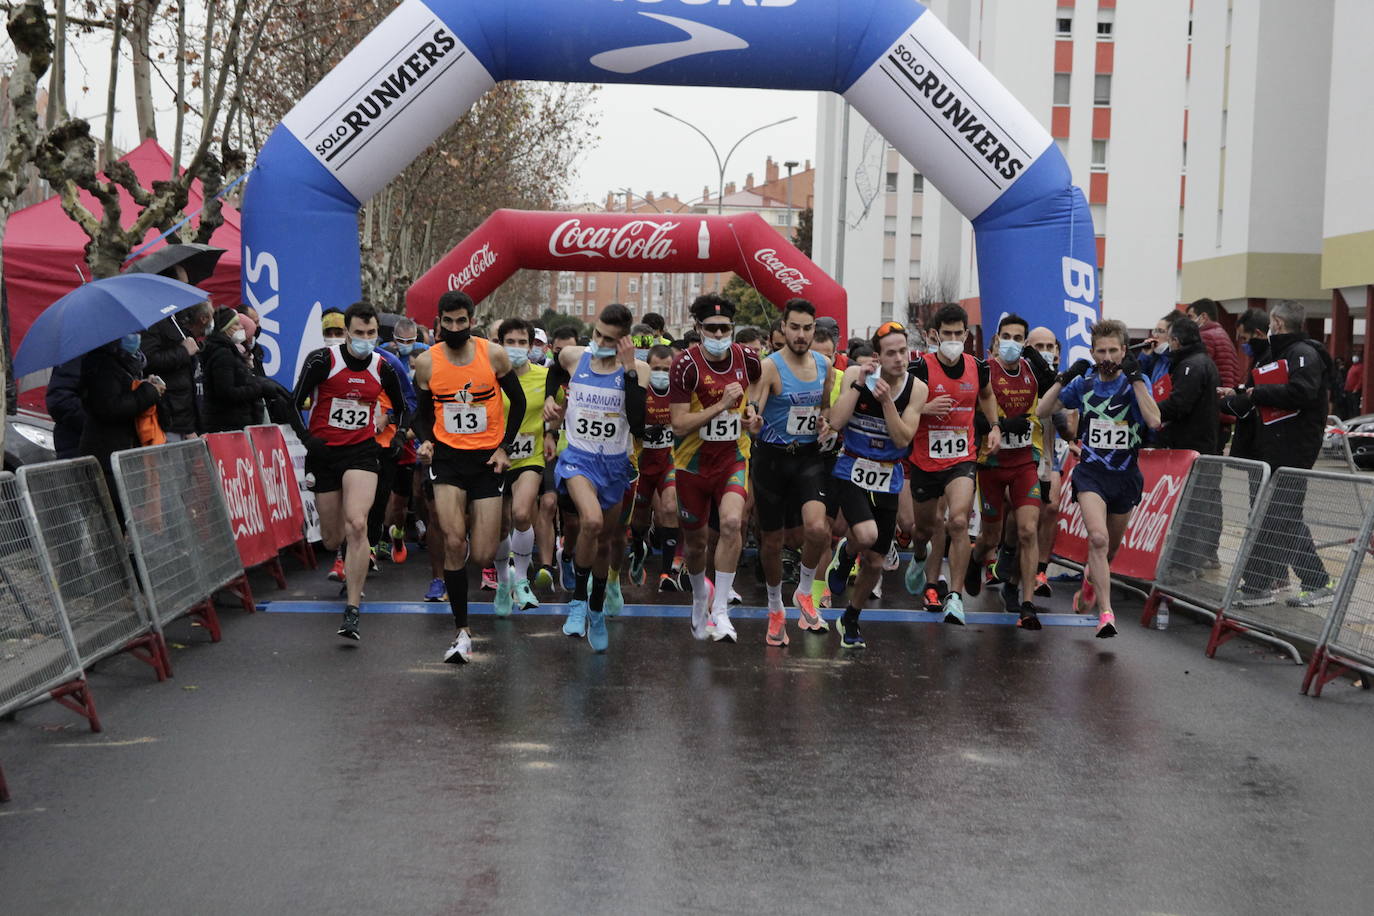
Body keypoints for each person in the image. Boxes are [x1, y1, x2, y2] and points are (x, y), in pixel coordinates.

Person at [411, 291, 525, 662]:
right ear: (439, 322)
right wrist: (427, 440)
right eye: (449, 322)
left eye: (462, 321)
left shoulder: (492, 354)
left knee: (483, 553)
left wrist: (504, 447)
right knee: (454, 541)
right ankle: (461, 629)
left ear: (471, 320)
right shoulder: (427, 363)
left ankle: (503, 573)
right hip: (446, 461)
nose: (456, 328)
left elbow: (518, 402)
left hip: (485, 462)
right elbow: (420, 413)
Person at [293, 302, 411, 642]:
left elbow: (403, 408)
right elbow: (292, 401)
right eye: (358, 333)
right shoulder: (322, 361)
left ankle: (353, 608)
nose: (365, 339)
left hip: (362, 451)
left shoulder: (382, 366)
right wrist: (306, 438)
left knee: (358, 523)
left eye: (371, 333)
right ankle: (344, 552)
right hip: (326, 453)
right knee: (332, 537)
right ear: (346, 333)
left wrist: (398, 434)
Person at [1037, 319, 1162, 637]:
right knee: (1097, 538)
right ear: (1092, 353)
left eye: (1113, 351)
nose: (1107, 357)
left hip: (1124, 477)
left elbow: (1154, 420)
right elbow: (1042, 410)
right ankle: (1106, 614)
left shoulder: (1137, 381)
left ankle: (1092, 580)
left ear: (1123, 351)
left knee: (1109, 550)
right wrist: (1063, 378)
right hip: (1091, 474)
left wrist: (1136, 381)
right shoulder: (1086, 384)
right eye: (1101, 351)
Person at [546, 303, 647, 652]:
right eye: (597, 334)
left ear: (623, 342)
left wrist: (631, 369)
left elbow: (637, 423)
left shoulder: (638, 370)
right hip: (578, 459)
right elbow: (554, 370)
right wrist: (549, 400)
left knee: (604, 541)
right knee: (589, 522)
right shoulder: (575, 356)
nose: (599, 342)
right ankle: (576, 603)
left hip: (615, 465)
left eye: (609, 339)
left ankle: (596, 608)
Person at [1223, 300, 1338, 608]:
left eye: (1272, 325)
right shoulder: (1279, 353)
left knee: (1284, 516)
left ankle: (1317, 581)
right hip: (1271, 448)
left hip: (1292, 450)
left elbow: (1302, 392)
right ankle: (1258, 585)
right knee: (1268, 517)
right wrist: (1238, 396)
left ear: (1279, 323)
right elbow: (1260, 392)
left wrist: (1257, 394)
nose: (1269, 330)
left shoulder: (1303, 354)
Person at [825, 321, 926, 648]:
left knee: (876, 561)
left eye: (903, 350)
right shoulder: (857, 376)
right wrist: (860, 385)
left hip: (888, 473)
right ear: (877, 357)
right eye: (891, 353)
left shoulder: (917, 389)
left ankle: (850, 617)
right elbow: (837, 422)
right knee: (866, 535)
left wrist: (885, 403)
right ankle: (846, 552)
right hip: (851, 467)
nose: (899, 358)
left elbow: (903, 437)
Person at [671, 293, 763, 643]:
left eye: (725, 328)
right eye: (712, 328)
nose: (720, 334)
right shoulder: (685, 365)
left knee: (731, 522)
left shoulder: (746, 358)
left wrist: (750, 412)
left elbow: (755, 387)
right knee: (696, 545)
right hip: (692, 465)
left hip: (732, 459)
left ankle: (721, 610)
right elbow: (679, 425)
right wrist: (722, 404)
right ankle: (699, 598)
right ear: (699, 329)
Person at [904, 304, 1002, 625]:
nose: (954, 339)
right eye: (947, 334)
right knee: (926, 528)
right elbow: (902, 406)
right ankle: (920, 557)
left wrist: (995, 424)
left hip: (962, 457)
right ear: (935, 335)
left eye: (959, 333)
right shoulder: (920, 368)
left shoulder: (978, 366)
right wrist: (926, 406)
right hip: (924, 460)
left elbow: (986, 395)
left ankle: (952, 595)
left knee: (958, 521)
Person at [749, 298, 835, 645]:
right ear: (783, 328)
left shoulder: (824, 364)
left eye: (807, 328)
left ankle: (803, 590)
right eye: (795, 327)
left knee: (818, 529)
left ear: (815, 330)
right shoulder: (769, 367)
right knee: (771, 542)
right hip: (771, 459)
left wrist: (826, 422)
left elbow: (826, 405)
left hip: (808, 458)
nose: (801, 335)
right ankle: (774, 608)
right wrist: (753, 421)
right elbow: (754, 409)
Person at [964, 313, 1056, 627]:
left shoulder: (1032, 370)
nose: (1012, 344)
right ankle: (976, 561)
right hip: (990, 462)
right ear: (996, 339)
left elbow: (1055, 386)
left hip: (1024, 462)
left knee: (1028, 529)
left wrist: (1041, 360)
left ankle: (1026, 603)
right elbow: (972, 418)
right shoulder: (985, 370)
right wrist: (1002, 425)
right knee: (990, 536)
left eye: (1019, 339)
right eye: (1007, 337)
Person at [1153, 316, 1222, 576]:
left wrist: (1149, 412)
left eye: (1168, 337)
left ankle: (1183, 564)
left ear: (1176, 341)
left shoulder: (1191, 366)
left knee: (1191, 509)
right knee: (1195, 507)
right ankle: (1187, 561)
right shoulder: (1200, 362)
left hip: (1191, 446)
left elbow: (1179, 405)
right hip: (1197, 444)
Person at [490, 318, 548, 616]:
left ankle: (522, 579)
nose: (515, 348)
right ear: (499, 344)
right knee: (499, 526)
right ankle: (503, 582)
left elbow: (561, 408)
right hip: (495, 458)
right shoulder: (489, 376)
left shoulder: (544, 376)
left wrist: (551, 431)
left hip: (530, 457)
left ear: (530, 345)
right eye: (509, 342)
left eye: (521, 342)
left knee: (523, 513)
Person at [79, 334, 165, 489]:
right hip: (107, 455)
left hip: (124, 451)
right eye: (130, 333)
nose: (136, 337)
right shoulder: (102, 364)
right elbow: (111, 407)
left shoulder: (128, 364)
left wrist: (144, 386)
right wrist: (149, 391)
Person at [630, 345, 683, 591]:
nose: (661, 373)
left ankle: (666, 572)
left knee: (671, 507)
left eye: (666, 369)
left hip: (668, 460)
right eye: (656, 369)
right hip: (642, 462)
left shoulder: (679, 392)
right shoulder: (641, 390)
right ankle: (638, 545)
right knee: (639, 517)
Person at [141, 301, 211, 440]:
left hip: (187, 417)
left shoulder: (175, 321)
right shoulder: (153, 323)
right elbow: (149, 360)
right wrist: (183, 351)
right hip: (169, 418)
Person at [202, 308, 273, 432]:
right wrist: (258, 388)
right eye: (236, 324)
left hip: (232, 422)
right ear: (225, 327)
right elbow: (226, 392)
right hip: (229, 426)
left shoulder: (228, 351)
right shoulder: (223, 354)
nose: (241, 327)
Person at [1187, 298, 1242, 451]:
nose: (1189, 322)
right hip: (1224, 410)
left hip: (1210, 412)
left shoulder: (1206, 336)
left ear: (1203, 317)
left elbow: (1199, 374)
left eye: (1191, 317)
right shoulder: (1223, 334)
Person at [47, 357, 87, 459]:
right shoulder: (76, 355)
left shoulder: (121, 355)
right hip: (77, 446)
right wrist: (93, 424)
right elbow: (59, 400)